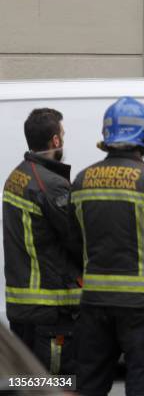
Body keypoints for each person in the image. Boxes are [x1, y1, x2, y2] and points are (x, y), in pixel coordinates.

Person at [71, 97, 144, 396]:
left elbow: (72, 241)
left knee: (91, 380)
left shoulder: (82, 179)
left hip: (95, 300)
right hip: (142, 305)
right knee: (143, 377)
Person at [2, 108, 81, 375]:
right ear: (55, 141)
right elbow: (77, 240)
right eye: (63, 133)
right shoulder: (51, 185)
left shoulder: (17, 176)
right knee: (58, 385)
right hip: (50, 311)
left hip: (22, 307)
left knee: (26, 384)